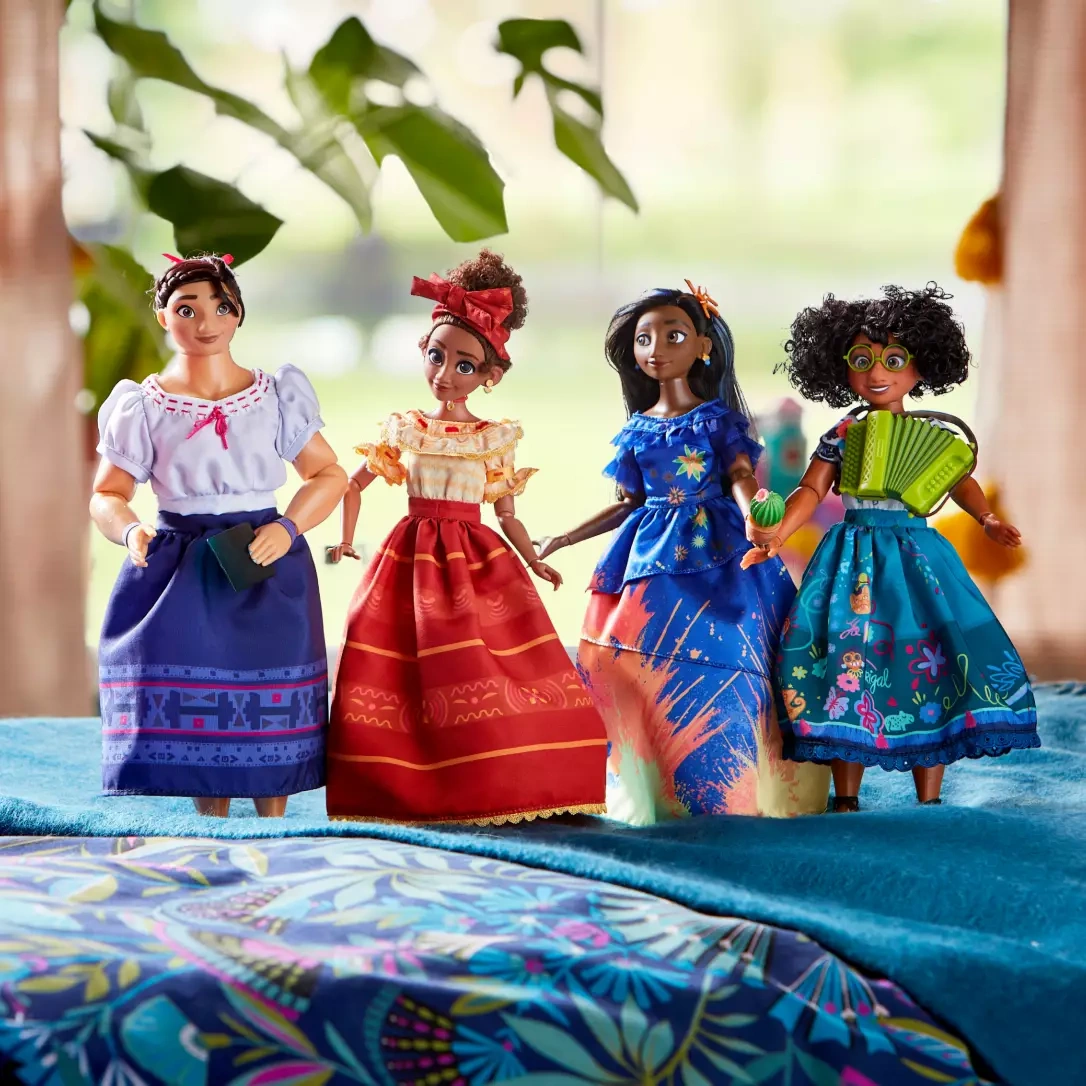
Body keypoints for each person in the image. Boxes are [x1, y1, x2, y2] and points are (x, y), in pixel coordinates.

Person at [326, 250, 607, 824]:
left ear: (489, 376)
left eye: (465, 365)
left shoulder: (491, 439)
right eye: (437, 356)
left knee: (484, 662)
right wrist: (346, 538)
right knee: (397, 663)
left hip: (477, 559)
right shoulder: (406, 428)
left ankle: (500, 780)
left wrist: (533, 559)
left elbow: (506, 513)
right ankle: (400, 787)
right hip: (407, 558)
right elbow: (353, 484)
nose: (445, 374)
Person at [537, 284, 830, 823]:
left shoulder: (716, 421)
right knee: (630, 658)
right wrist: (565, 538)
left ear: (703, 346)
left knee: (732, 655)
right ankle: (654, 785)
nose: (656, 349)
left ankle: (737, 785)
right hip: (649, 558)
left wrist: (753, 511)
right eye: (644, 339)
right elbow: (628, 502)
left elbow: (740, 474)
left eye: (672, 336)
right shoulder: (637, 432)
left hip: (720, 548)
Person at [744, 284, 1038, 810]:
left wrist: (988, 518)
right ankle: (846, 794)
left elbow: (960, 481)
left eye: (894, 361)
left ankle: (929, 795)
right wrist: (779, 534)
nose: (878, 374)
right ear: (841, 369)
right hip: (853, 556)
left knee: (931, 659)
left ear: (922, 367)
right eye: (862, 361)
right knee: (847, 661)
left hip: (916, 555)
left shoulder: (932, 434)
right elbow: (811, 489)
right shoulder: (843, 433)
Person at [91, 253, 346, 816]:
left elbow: (328, 475)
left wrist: (288, 527)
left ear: (238, 314)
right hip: (181, 560)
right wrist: (130, 530)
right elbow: (106, 493)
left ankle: (273, 815)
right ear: (164, 317)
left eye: (221, 307)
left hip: (263, 557)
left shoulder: (273, 396)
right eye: (187, 309)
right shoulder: (145, 406)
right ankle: (212, 815)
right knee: (193, 672)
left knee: (270, 673)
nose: (206, 322)